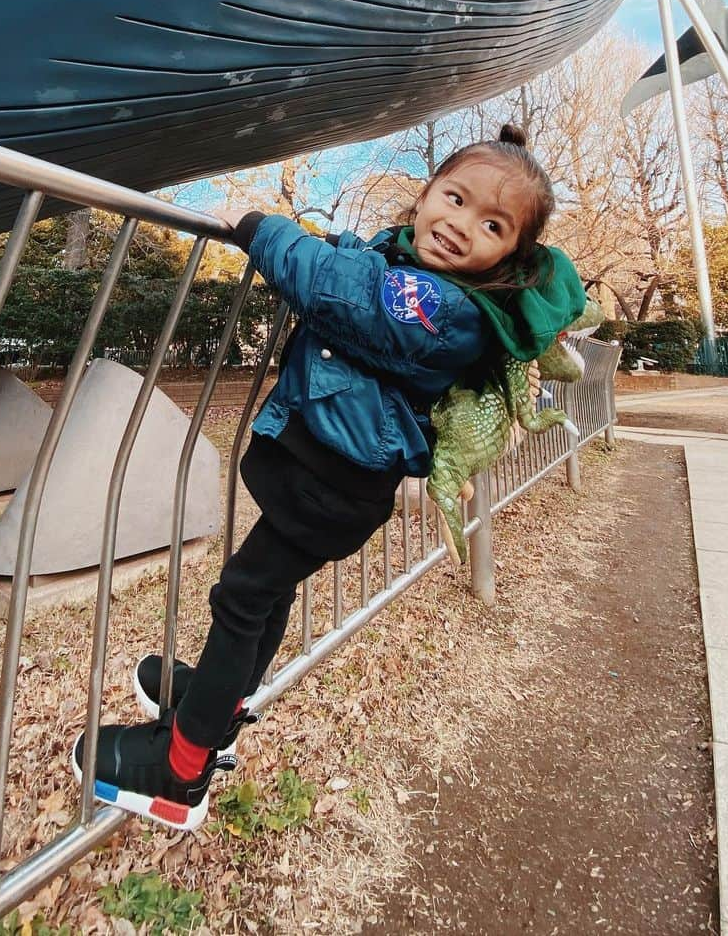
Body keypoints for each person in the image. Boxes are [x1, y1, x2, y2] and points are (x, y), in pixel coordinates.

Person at [72, 125, 586, 830]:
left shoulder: (449, 308)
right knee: (267, 591)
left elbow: (343, 293)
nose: (462, 226)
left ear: (510, 255)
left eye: (491, 223)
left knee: (241, 597)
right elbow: (368, 265)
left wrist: (261, 228)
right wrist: (339, 239)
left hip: (334, 484)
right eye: (456, 198)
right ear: (426, 194)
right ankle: (217, 703)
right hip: (327, 473)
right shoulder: (419, 273)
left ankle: (180, 770)